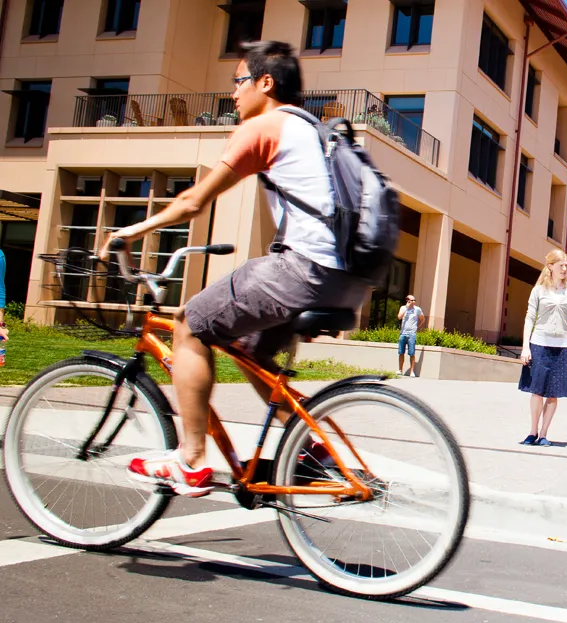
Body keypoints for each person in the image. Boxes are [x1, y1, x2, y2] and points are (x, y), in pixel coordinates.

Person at [99, 41, 370, 497]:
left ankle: (191, 460)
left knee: (188, 324)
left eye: (239, 82)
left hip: (303, 269)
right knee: (250, 351)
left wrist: (129, 232)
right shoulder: (315, 130)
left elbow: (192, 202)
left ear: (266, 83)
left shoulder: (264, 126)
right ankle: (311, 451)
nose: (233, 94)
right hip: (342, 278)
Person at [518, 249, 567, 447]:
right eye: (561, 265)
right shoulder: (539, 290)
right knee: (537, 391)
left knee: (553, 393)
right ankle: (532, 432)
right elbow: (529, 317)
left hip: (562, 346)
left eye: (566, 265)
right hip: (539, 343)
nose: (564, 268)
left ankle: (544, 434)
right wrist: (525, 346)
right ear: (550, 266)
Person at [397, 294, 425, 377]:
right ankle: (400, 370)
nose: (413, 302)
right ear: (407, 301)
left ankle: (412, 371)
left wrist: (417, 326)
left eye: (414, 300)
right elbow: (399, 317)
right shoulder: (403, 308)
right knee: (401, 352)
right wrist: (406, 308)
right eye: (411, 300)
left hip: (412, 334)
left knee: (412, 353)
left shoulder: (417, 309)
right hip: (403, 333)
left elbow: (422, 319)